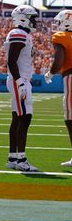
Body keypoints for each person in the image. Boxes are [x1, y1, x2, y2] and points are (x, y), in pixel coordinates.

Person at [4, 5, 40, 172]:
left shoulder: (22, 34)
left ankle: (13, 157)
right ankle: (21, 159)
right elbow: (11, 61)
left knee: (17, 119)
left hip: (20, 79)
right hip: (20, 80)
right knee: (25, 118)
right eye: (32, 17)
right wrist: (19, 82)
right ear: (23, 18)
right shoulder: (18, 33)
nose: (35, 21)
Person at [47, 9, 72, 167]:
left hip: (71, 77)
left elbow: (58, 60)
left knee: (70, 117)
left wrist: (50, 72)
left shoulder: (61, 37)